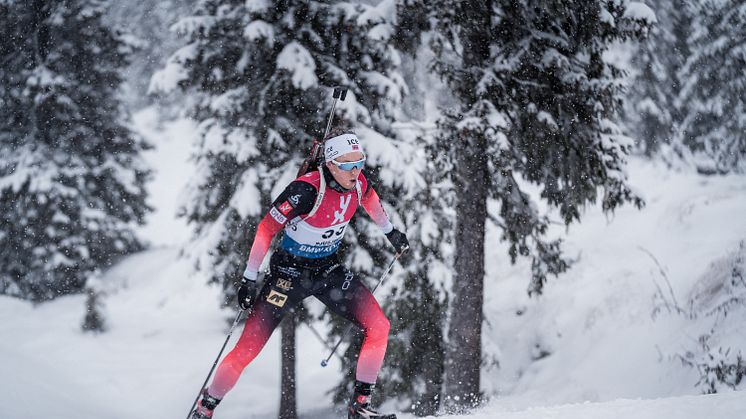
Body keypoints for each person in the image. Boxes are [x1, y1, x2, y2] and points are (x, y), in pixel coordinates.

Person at [191, 130, 409, 419]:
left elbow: (370, 200)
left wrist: (391, 232)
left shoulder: (358, 185)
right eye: (347, 164)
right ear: (330, 164)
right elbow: (266, 228)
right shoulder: (305, 191)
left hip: (326, 270)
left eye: (360, 163)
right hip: (288, 275)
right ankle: (205, 409)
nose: (355, 171)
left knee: (379, 326)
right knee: (247, 350)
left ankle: (360, 406)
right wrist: (249, 278)